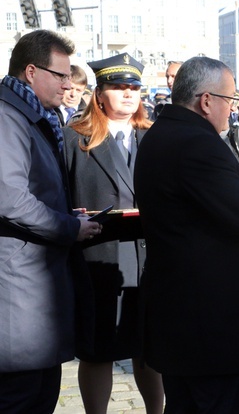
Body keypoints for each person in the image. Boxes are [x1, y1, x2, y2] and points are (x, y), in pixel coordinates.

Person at [134, 56, 239, 413]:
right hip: (210, 322)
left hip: (183, 315)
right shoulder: (197, 141)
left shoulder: (163, 133)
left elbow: (202, 196)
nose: (233, 108)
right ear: (206, 100)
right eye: (230, 100)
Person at [0, 29, 101, 413]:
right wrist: (68, 227)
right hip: (17, 290)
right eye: (59, 75)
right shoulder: (7, 116)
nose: (68, 83)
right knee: (21, 399)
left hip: (35, 292)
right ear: (30, 71)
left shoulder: (34, 114)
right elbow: (9, 198)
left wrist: (64, 214)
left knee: (40, 396)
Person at [62, 53, 164, 414]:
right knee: (98, 351)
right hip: (99, 260)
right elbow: (59, 194)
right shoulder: (75, 138)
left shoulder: (154, 137)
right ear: (99, 93)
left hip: (150, 260)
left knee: (149, 349)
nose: (128, 94)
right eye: (118, 87)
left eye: (134, 87)